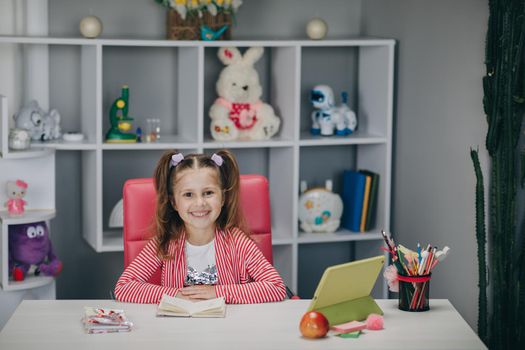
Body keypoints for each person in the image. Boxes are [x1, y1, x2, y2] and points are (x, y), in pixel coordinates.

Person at [114, 149, 286, 304]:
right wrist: (175, 295)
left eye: (208, 193)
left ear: (223, 198)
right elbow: (123, 287)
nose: (200, 203)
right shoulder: (165, 242)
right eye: (188, 194)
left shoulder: (238, 241)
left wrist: (217, 292)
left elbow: (276, 288)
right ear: (174, 202)